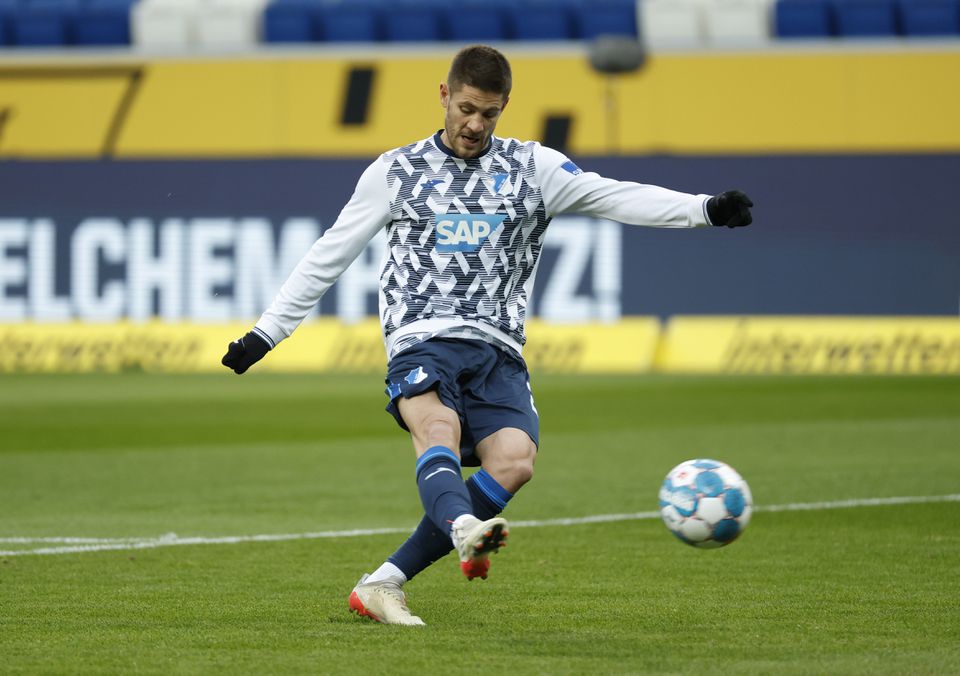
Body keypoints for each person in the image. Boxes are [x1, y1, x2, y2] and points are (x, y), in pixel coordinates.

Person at [222, 44, 753, 626]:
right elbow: (330, 252)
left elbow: (615, 196)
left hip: (497, 347)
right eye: (467, 108)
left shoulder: (533, 168)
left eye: (490, 113)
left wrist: (703, 209)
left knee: (514, 460)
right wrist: (267, 333)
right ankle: (464, 528)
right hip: (421, 336)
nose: (475, 124)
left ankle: (383, 583)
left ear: (504, 108)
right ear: (444, 95)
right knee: (437, 427)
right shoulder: (395, 172)